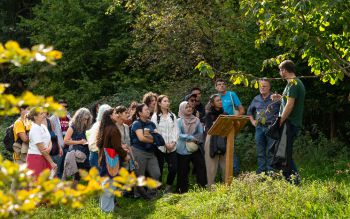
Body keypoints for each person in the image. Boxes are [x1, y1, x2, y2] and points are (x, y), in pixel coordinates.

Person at [271, 60, 305, 183]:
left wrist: (280, 120)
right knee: (281, 152)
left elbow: (290, 105)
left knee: (285, 154)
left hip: (290, 123)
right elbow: (289, 100)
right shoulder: (292, 84)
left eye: (280, 70)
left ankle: (295, 182)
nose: (280, 73)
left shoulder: (293, 84)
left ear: (284, 70)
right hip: (289, 123)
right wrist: (280, 98)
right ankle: (290, 180)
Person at [96, 108, 129, 212]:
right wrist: (125, 155)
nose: (117, 115)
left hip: (105, 159)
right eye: (115, 113)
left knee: (106, 184)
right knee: (109, 186)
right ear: (110, 116)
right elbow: (117, 147)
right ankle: (106, 210)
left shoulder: (105, 127)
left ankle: (107, 208)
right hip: (111, 161)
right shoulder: (113, 129)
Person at [247, 78, 280, 174]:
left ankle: (271, 172)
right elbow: (249, 112)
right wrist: (252, 121)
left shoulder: (275, 98)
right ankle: (261, 171)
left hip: (272, 127)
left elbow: (284, 110)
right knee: (260, 150)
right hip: (259, 128)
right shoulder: (256, 98)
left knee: (271, 151)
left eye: (265, 86)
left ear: (269, 87)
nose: (262, 88)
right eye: (261, 86)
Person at [130, 103, 161, 199]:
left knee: (156, 173)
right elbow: (141, 138)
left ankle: (151, 193)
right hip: (139, 151)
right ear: (139, 113)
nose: (148, 111)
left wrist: (153, 138)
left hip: (151, 152)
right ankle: (138, 195)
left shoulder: (151, 123)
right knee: (140, 175)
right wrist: (153, 139)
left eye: (148, 109)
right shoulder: (136, 123)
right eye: (146, 110)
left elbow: (157, 136)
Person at [215, 78, 245, 175]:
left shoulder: (232, 95)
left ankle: (235, 173)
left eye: (223, 84)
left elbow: (242, 110)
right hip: (218, 127)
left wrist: (235, 120)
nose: (221, 86)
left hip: (230, 126)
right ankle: (223, 174)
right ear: (216, 87)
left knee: (230, 148)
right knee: (219, 149)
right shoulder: (214, 97)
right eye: (219, 84)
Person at [176, 101, 207, 193]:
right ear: (182, 109)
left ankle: (202, 188)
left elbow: (201, 132)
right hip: (182, 149)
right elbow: (178, 134)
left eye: (190, 107)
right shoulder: (179, 121)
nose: (189, 109)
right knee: (183, 170)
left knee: (201, 165)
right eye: (186, 107)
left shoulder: (196, 120)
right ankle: (182, 190)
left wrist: (196, 139)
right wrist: (190, 137)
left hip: (194, 147)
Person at [151, 95, 178, 193]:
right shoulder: (155, 117)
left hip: (172, 146)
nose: (167, 103)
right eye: (165, 101)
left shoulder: (172, 115)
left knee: (173, 168)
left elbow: (176, 130)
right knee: (159, 169)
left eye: (168, 101)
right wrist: (165, 144)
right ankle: (157, 189)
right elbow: (156, 132)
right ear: (159, 103)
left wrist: (174, 142)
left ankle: (168, 187)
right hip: (160, 147)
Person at [63, 108, 92, 185]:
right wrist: (80, 142)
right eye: (84, 119)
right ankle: (74, 191)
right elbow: (65, 141)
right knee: (77, 174)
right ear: (79, 117)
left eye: (87, 119)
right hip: (77, 153)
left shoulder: (86, 126)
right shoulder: (73, 126)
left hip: (86, 151)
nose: (85, 121)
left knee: (89, 171)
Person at [204, 94, 228, 186]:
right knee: (211, 166)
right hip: (211, 140)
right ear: (213, 103)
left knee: (225, 165)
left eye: (220, 100)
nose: (220, 102)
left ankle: (226, 186)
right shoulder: (208, 114)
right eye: (217, 101)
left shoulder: (225, 114)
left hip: (223, 138)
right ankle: (210, 188)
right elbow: (209, 129)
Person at [26, 107, 57, 178]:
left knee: (48, 184)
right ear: (35, 117)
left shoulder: (43, 126)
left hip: (45, 157)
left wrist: (49, 148)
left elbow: (50, 140)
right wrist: (52, 162)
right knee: (37, 184)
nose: (44, 115)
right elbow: (42, 150)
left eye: (44, 113)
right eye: (41, 114)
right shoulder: (34, 129)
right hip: (36, 159)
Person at [50, 100, 71, 178]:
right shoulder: (52, 119)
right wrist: (58, 146)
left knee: (65, 168)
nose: (64, 108)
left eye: (66, 107)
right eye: (62, 106)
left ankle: (63, 185)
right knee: (57, 168)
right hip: (58, 146)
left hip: (68, 145)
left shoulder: (69, 118)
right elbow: (52, 134)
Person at [87, 104, 112, 169]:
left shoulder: (100, 124)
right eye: (110, 113)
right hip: (97, 154)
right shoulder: (100, 125)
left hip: (97, 154)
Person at [114, 105, 137, 172]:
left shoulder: (126, 127)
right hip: (118, 158)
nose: (128, 114)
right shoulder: (114, 127)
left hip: (128, 157)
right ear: (119, 114)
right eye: (126, 113)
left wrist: (133, 160)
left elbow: (128, 144)